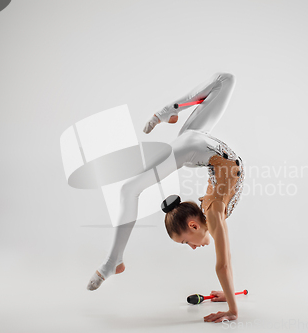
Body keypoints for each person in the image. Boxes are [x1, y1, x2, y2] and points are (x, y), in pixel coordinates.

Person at [87, 72, 245, 323]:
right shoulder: (212, 213)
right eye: (187, 243)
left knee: (227, 78)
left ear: (193, 224)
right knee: (129, 190)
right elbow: (223, 265)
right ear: (194, 224)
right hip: (194, 146)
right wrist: (232, 307)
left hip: (196, 144)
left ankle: (168, 111)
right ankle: (113, 261)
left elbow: (223, 264)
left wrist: (231, 302)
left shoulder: (210, 210)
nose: (192, 247)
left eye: (185, 242)